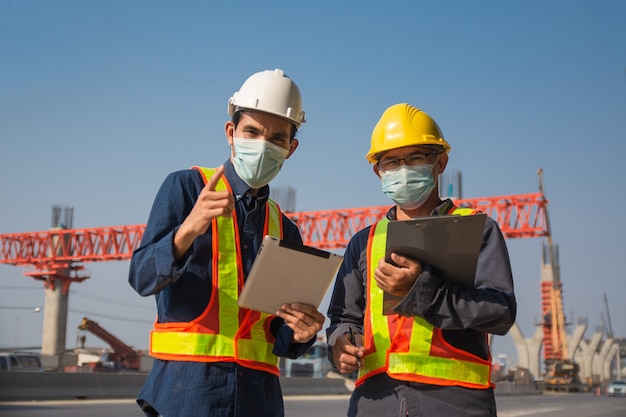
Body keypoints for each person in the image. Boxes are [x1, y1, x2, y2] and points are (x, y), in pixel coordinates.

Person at [128, 69, 325, 417]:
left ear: (290, 149)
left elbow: (277, 333)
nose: (263, 144)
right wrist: (189, 227)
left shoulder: (285, 228)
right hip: (187, 392)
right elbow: (142, 277)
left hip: (258, 398)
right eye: (252, 131)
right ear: (231, 133)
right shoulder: (187, 188)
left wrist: (301, 333)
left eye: (277, 138)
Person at [326, 103, 516, 417]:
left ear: (440, 162)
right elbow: (344, 318)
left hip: (455, 402)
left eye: (415, 158)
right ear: (379, 171)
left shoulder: (476, 229)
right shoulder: (364, 242)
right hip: (376, 400)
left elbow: (500, 312)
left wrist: (421, 291)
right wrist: (341, 345)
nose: (403, 169)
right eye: (391, 161)